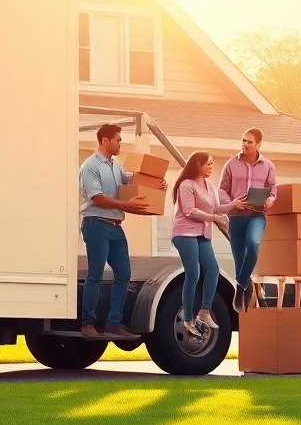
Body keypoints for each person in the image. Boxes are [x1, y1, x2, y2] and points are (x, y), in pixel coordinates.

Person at [78, 123, 167, 340]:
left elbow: (133, 181)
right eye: (118, 139)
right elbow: (97, 198)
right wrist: (126, 205)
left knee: (124, 274)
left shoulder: (115, 166)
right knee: (95, 275)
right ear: (105, 141)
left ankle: (113, 323)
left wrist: (157, 184)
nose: (121, 143)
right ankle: (88, 324)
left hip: (116, 227)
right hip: (96, 224)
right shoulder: (90, 166)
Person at [170, 151, 237, 338]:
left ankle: (204, 311)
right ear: (197, 165)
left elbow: (215, 208)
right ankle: (188, 319)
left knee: (213, 270)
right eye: (207, 163)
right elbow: (189, 211)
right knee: (194, 273)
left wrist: (233, 205)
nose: (210, 167)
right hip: (184, 233)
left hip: (202, 234)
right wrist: (215, 217)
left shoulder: (210, 185)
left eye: (211, 164)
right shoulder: (186, 185)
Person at [218, 127, 277, 311]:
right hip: (236, 217)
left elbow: (273, 189)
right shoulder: (231, 163)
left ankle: (240, 287)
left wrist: (270, 200)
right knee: (239, 259)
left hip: (256, 215)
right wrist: (232, 203)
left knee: (253, 244)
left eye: (249, 142)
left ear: (258, 144)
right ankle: (247, 293)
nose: (244, 144)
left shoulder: (268, 166)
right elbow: (221, 189)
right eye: (243, 140)